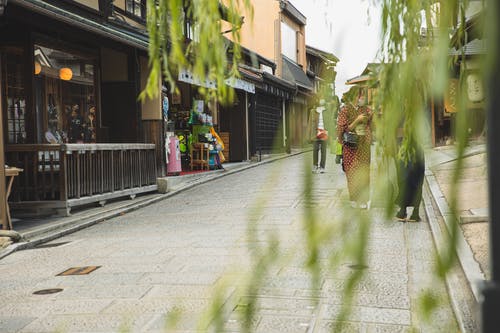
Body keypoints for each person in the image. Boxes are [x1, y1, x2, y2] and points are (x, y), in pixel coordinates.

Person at [337, 91, 373, 208]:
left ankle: (363, 200)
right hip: (350, 146)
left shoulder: (366, 109)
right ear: (354, 97)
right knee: (352, 172)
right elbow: (342, 129)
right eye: (360, 95)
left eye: (363, 96)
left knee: (363, 171)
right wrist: (357, 120)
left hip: (363, 145)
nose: (362, 98)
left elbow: (372, 122)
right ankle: (353, 198)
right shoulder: (345, 110)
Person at [395, 135, 425, 222]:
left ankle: (404, 211)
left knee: (406, 178)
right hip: (411, 146)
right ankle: (412, 212)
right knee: (415, 179)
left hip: (408, 146)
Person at [307, 99, 332, 173]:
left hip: (324, 131)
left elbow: (330, 122)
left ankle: (322, 167)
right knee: (315, 150)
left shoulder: (327, 110)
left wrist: (330, 133)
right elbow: (310, 124)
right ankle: (315, 166)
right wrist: (309, 135)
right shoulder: (312, 111)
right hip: (315, 132)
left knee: (323, 151)